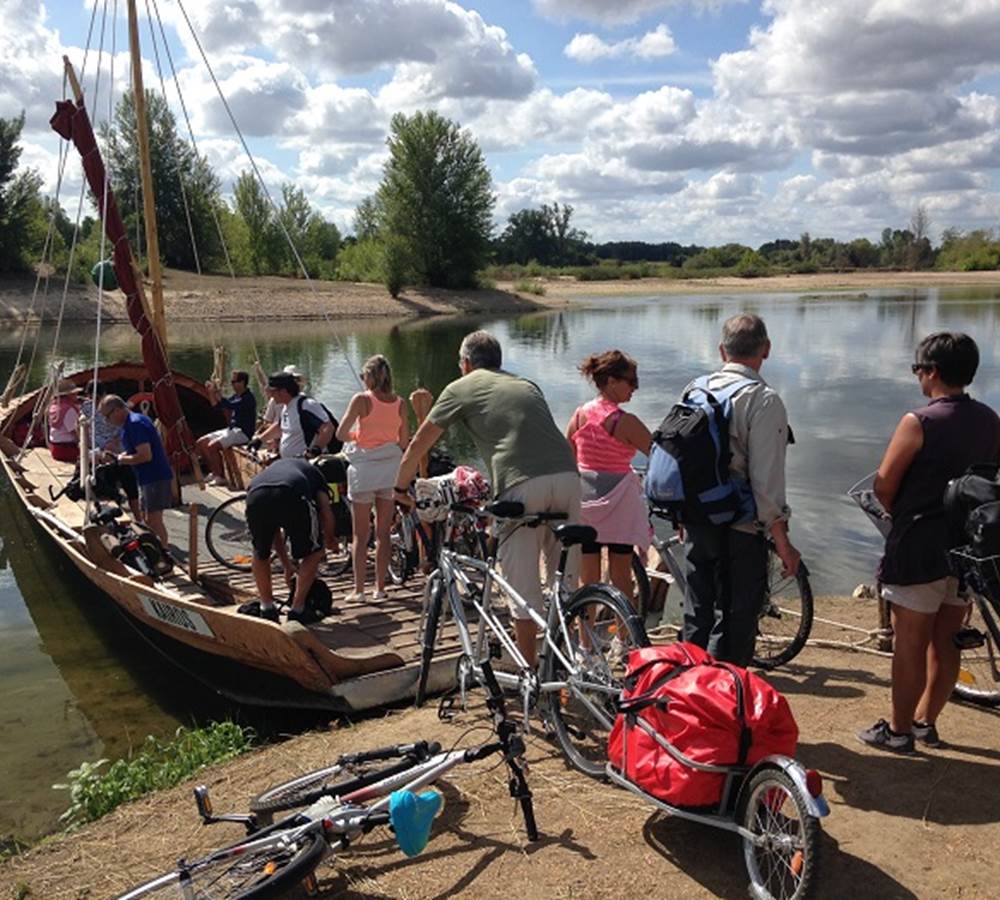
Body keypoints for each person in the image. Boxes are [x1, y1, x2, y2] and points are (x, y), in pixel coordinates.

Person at [394, 330, 580, 667]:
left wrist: (398, 487)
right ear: (499, 362)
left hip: (522, 485)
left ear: (465, 363)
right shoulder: (526, 384)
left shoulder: (460, 387)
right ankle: (573, 661)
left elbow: (421, 443)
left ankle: (529, 674)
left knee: (523, 591)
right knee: (564, 583)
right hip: (569, 478)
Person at [859, 332, 1000, 753]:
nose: (918, 377)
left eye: (918, 369)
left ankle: (900, 731)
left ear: (932, 371)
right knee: (948, 639)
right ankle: (926, 722)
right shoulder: (991, 419)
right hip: (968, 548)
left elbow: (884, 487)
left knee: (910, 644)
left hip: (919, 547)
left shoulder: (918, 422)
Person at [682, 313, 801, 667]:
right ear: (767, 349)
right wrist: (783, 542)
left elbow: (680, 459)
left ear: (722, 351)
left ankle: (689, 693)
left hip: (697, 520)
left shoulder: (694, 389)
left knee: (697, 612)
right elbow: (766, 483)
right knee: (735, 619)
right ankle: (725, 700)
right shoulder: (763, 400)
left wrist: (683, 515)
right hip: (740, 526)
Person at [566, 350, 652, 599]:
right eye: (631, 381)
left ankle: (585, 638)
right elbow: (661, 457)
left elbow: (568, 459)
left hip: (586, 503)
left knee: (588, 579)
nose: (635, 388)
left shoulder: (579, 415)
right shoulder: (625, 422)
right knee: (621, 576)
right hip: (620, 504)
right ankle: (625, 636)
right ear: (612, 381)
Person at [336, 355, 410, 602]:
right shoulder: (400, 403)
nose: (361, 379)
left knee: (360, 534)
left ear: (369, 377)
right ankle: (380, 588)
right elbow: (403, 442)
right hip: (389, 471)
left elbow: (341, 433)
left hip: (364, 472)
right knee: (383, 534)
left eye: (363, 375)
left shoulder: (361, 400)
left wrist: (358, 435)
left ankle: (359, 590)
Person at [244, 457, 338, 624]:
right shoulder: (316, 476)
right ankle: (297, 609)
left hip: (255, 494)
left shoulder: (275, 469)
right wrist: (330, 540)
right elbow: (325, 510)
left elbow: (275, 534)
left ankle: (267, 608)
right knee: (315, 552)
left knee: (260, 553)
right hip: (292, 492)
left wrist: (287, 564)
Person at [99, 394, 174, 548]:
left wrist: (120, 460)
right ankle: (156, 550)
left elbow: (145, 455)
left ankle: (164, 552)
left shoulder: (135, 424)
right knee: (148, 518)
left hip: (155, 476)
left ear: (118, 410)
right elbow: (135, 450)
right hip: (147, 477)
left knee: (154, 519)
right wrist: (118, 456)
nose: (107, 421)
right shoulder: (131, 422)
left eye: (107, 416)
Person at [82, 381, 140, 518]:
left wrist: (116, 441)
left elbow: (127, 424)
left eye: (97, 398)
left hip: (116, 448)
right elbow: (80, 426)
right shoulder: (86, 407)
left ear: (103, 395)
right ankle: (111, 510)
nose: (94, 402)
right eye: (91, 398)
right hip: (97, 449)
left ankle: (138, 517)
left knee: (129, 483)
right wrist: (85, 442)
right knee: (105, 484)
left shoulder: (115, 407)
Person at [252, 371, 334, 459]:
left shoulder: (306, 405)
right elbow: (279, 428)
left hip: (308, 463)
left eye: (273, 392)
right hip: (291, 463)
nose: (271, 395)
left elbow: (328, 427)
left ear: (283, 391)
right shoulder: (286, 407)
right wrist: (259, 440)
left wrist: (316, 449)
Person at [197, 370, 257, 487]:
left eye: (234, 382)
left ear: (242, 383)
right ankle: (214, 472)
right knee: (201, 442)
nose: (232, 384)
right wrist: (211, 392)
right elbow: (217, 406)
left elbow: (228, 405)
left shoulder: (248, 398)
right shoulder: (236, 396)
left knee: (212, 446)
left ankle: (220, 476)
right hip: (232, 429)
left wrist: (217, 392)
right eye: (232, 382)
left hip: (243, 433)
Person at [47, 378, 81, 462]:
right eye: (74, 393)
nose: (77, 394)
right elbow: (75, 432)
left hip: (55, 448)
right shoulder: (69, 410)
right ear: (68, 395)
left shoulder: (54, 407)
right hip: (67, 449)